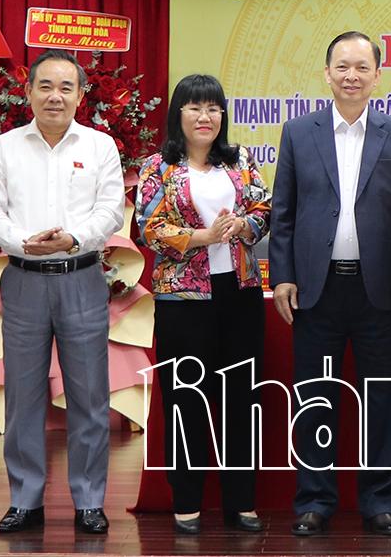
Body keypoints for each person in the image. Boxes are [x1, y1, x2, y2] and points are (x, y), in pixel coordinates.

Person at [269, 32, 391, 538]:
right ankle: (314, 500)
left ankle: (380, 502)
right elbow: (283, 212)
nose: (351, 76)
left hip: (379, 291)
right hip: (316, 289)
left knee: (383, 399)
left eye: (361, 67)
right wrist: (283, 276)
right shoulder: (299, 132)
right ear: (327, 73)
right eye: (342, 66)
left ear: (377, 75)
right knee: (315, 397)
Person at [0, 50, 128, 535]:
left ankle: (89, 500)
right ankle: (25, 499)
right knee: (23, 394)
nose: (55, 96)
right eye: (45, 86)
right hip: (23, 278)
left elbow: (110, 209)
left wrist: (74, 239)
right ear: (28, 92)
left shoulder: (100, 146)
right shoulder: (4, 147)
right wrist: (22, 241)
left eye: (66, 87)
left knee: (89, 394)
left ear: (81, 95)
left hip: (81, 276)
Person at [136, 73, 272, 536]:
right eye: (194, 107)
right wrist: (203, 236)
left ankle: (242, 502)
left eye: (213, 108)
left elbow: (264, 209)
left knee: (241, 400)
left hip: (240, 294)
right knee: (186, 401)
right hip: (182, 300)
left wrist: (243, 227)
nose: (205, 116)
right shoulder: (158, 167)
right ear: (178, 113)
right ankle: (187, 503)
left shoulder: (240, 161)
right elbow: (149, 228)